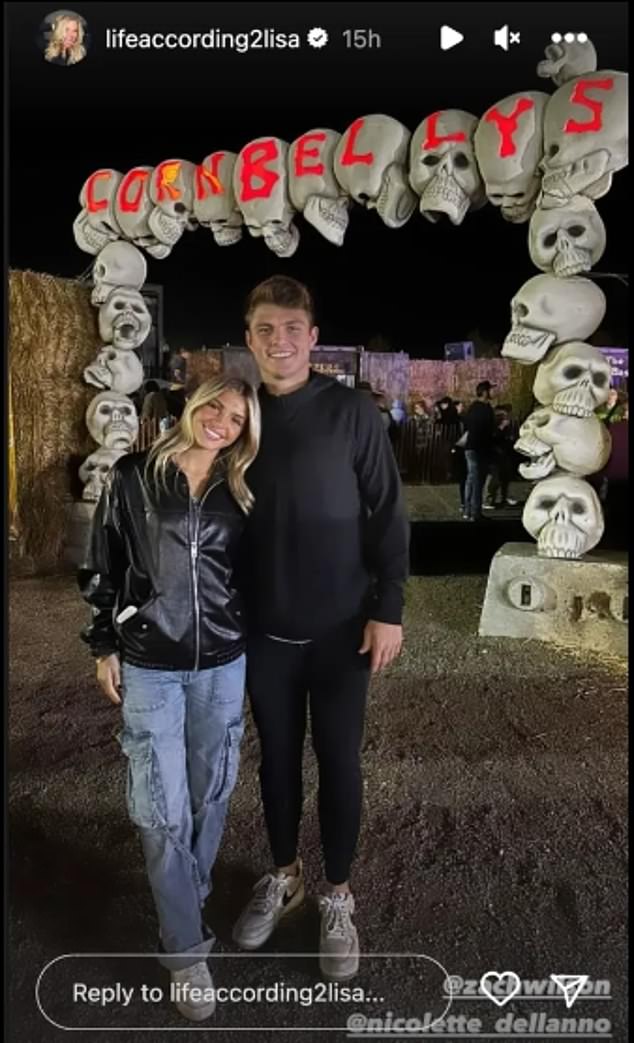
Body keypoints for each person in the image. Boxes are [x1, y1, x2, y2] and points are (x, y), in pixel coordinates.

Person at [232, 275, 409, 982]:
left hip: (342, 629)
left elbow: (388, 512)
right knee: (276, 760)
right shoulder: (236, 416)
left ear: (313, 337)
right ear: (250, 337)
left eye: (292, 329)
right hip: (263, 633)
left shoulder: (350, 411)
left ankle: (338, 891)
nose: (280, 341)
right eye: (265, 329)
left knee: (339, 760)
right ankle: (285, 875)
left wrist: (388, 606)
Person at [78, 377, 261, 1023]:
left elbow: (260, 571)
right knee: (159, 805)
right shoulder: (133, 475)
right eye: (213, 404)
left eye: (236, 417)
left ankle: (187, 892)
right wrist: (105, 641)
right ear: (191, 403)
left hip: (222, 664)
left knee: (212, 790)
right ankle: (185, 949)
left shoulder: (242, 487)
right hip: (151, 663)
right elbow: (102, 561)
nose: (221, 420)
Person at [462, 381, 497, 521]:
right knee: (478, 481)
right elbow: (488, 431)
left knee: (470, 479)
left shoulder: (472, 408)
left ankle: (467, 510)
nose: (493, 393)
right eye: (490, 390)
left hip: (469, 447)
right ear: (485, 392)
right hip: (480, 448)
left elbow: (466, 425)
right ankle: (475, 513)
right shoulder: (486, 409)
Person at [483, 409, 519, 509]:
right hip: (494, 455)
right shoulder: (494, 429)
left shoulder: (506, 430)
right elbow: (493, 439)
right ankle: (488, 500)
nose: (508, 421)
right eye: (506, 419)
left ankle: (505, 496)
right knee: (494, 478)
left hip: (503, 454)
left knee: (505, 477)